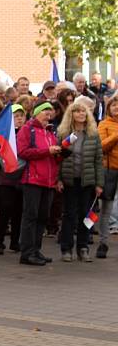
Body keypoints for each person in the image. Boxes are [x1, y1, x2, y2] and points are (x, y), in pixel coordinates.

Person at [56, 102, 103, 262]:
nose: (81, 114)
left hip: (87, 181)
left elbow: (98, 160)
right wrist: (59, 179)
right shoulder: (63, 133)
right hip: (69, 180)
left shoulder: (93, 134)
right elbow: (58, 158)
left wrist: (99, 184)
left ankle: (83, 247)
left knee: (86, 215)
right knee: (69, 214)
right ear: (72, 114)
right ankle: (66, 249)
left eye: (84, 111)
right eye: (77, 111)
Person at [17, 100, 62, 266]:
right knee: (31, 216)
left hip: (48, 181)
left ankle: (36, 250)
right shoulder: (27, 129)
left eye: (50, 112)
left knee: (42, 217)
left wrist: (61, 153)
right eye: (45, 112)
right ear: (36, 113)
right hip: (33, 180)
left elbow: (53, 158)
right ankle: (27, 252)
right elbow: (22, 152)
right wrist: (47, 151)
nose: (48, 115)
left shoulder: (49, 132)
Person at [0, 104, 26, 255]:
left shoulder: (26, 134)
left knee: (18, 211)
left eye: (22, 116)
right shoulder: (5, 134)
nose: (19, 119)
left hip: (22, 177)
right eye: (16, 116)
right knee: (5, 210)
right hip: (6, 177)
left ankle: (15, 242)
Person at [97, 95, 118, 258]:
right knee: (106, 209)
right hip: (109, 170)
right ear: (109, 108)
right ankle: (103, 243)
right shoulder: (103, 124)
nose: (117, 108)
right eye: (114, 106)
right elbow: (102, 146)